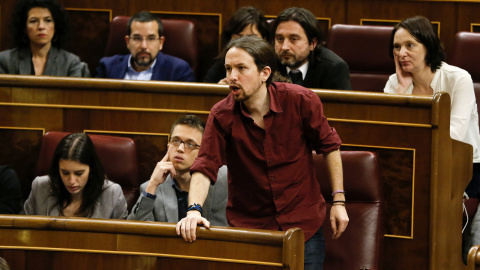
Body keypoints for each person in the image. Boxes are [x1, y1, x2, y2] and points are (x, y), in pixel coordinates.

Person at [176, 36, 349, 270]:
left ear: (264, 73)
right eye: (228, 69)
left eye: (241, 68)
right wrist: (193, 210)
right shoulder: (221, 115)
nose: (232, 77)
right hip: (251, 226)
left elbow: (330, 146)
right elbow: (205, 165)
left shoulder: (301, 100)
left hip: (303, 223)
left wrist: (338, 200)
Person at [382, 16, 480, 263]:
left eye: (410, 45)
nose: (401, 53)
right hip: (411, 167)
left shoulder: (458, 79)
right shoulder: (395, 82)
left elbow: (454, 136)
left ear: (428, 46)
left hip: (462, 169)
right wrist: (403, 91)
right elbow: (387, 135)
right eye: (396, 46)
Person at [128, 115, 228, 225]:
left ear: (203, 151)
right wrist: (152, 184)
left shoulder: (224, 180)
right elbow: (134, 232)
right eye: (175, 141)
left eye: (190, 144)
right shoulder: (152, 187)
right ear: (168, 147)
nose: (180, 149)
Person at [23, 133, 128, 219]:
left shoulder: (112, 194)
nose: (72, 181)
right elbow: (23, 231)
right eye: (65, 173)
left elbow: (123, 239)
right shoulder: (40, 187)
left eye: (79, 173)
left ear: (91, 169)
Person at [96, 11, 195, 82]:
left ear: (161, 43)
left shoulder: (178, 71)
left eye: (151, 39)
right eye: (137, 38)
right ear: (128, 41)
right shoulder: (107, 67)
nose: (144, 46)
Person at [0, 0, 90, 77]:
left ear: (56, 26)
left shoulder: (70, 62)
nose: (41, 26)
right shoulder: (5, 60)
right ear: (24, 28)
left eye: (48, 20)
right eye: (33, 21)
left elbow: (74, 96)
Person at [272, 7, 351, 90]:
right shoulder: (267, 64)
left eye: (294, 39)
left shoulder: (333, 68)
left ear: (312, 43)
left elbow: (341, 103)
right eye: (280, 39)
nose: (284, 47)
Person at [203, 6, 270, 84]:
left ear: (264, 38)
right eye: (239, 37)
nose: (244, 43)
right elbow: (205, 92)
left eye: (251, 37)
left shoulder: (274, 65)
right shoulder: (221, 65)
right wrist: (219, 89)